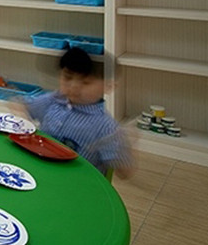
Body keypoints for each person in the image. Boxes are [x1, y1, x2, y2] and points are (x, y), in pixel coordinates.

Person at [18, 48, 135, 177]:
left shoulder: (106, 127)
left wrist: (123, 144)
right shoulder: (53, 100)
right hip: (41, 170)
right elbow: (23, 106)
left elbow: (125, 173)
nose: (74, 86)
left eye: (85, 82)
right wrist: (20, 111)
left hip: (75, 182)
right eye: (67, 77)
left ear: (108, 86)